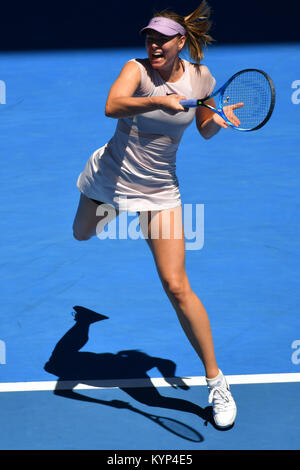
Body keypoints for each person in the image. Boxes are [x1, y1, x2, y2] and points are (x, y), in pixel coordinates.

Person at [73, 1, 237, 428]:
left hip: (159, 191)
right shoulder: (137, 69)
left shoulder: (202, 77)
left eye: (163, 39)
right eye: (150, 37)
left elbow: (203, 127)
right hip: (109, 179)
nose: (154, 45)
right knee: (82, 234)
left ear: (181, 42)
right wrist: (157, 102)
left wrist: (218, 116)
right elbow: (112, 106)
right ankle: (84, 321)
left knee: (176, 285)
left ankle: (217, 382)